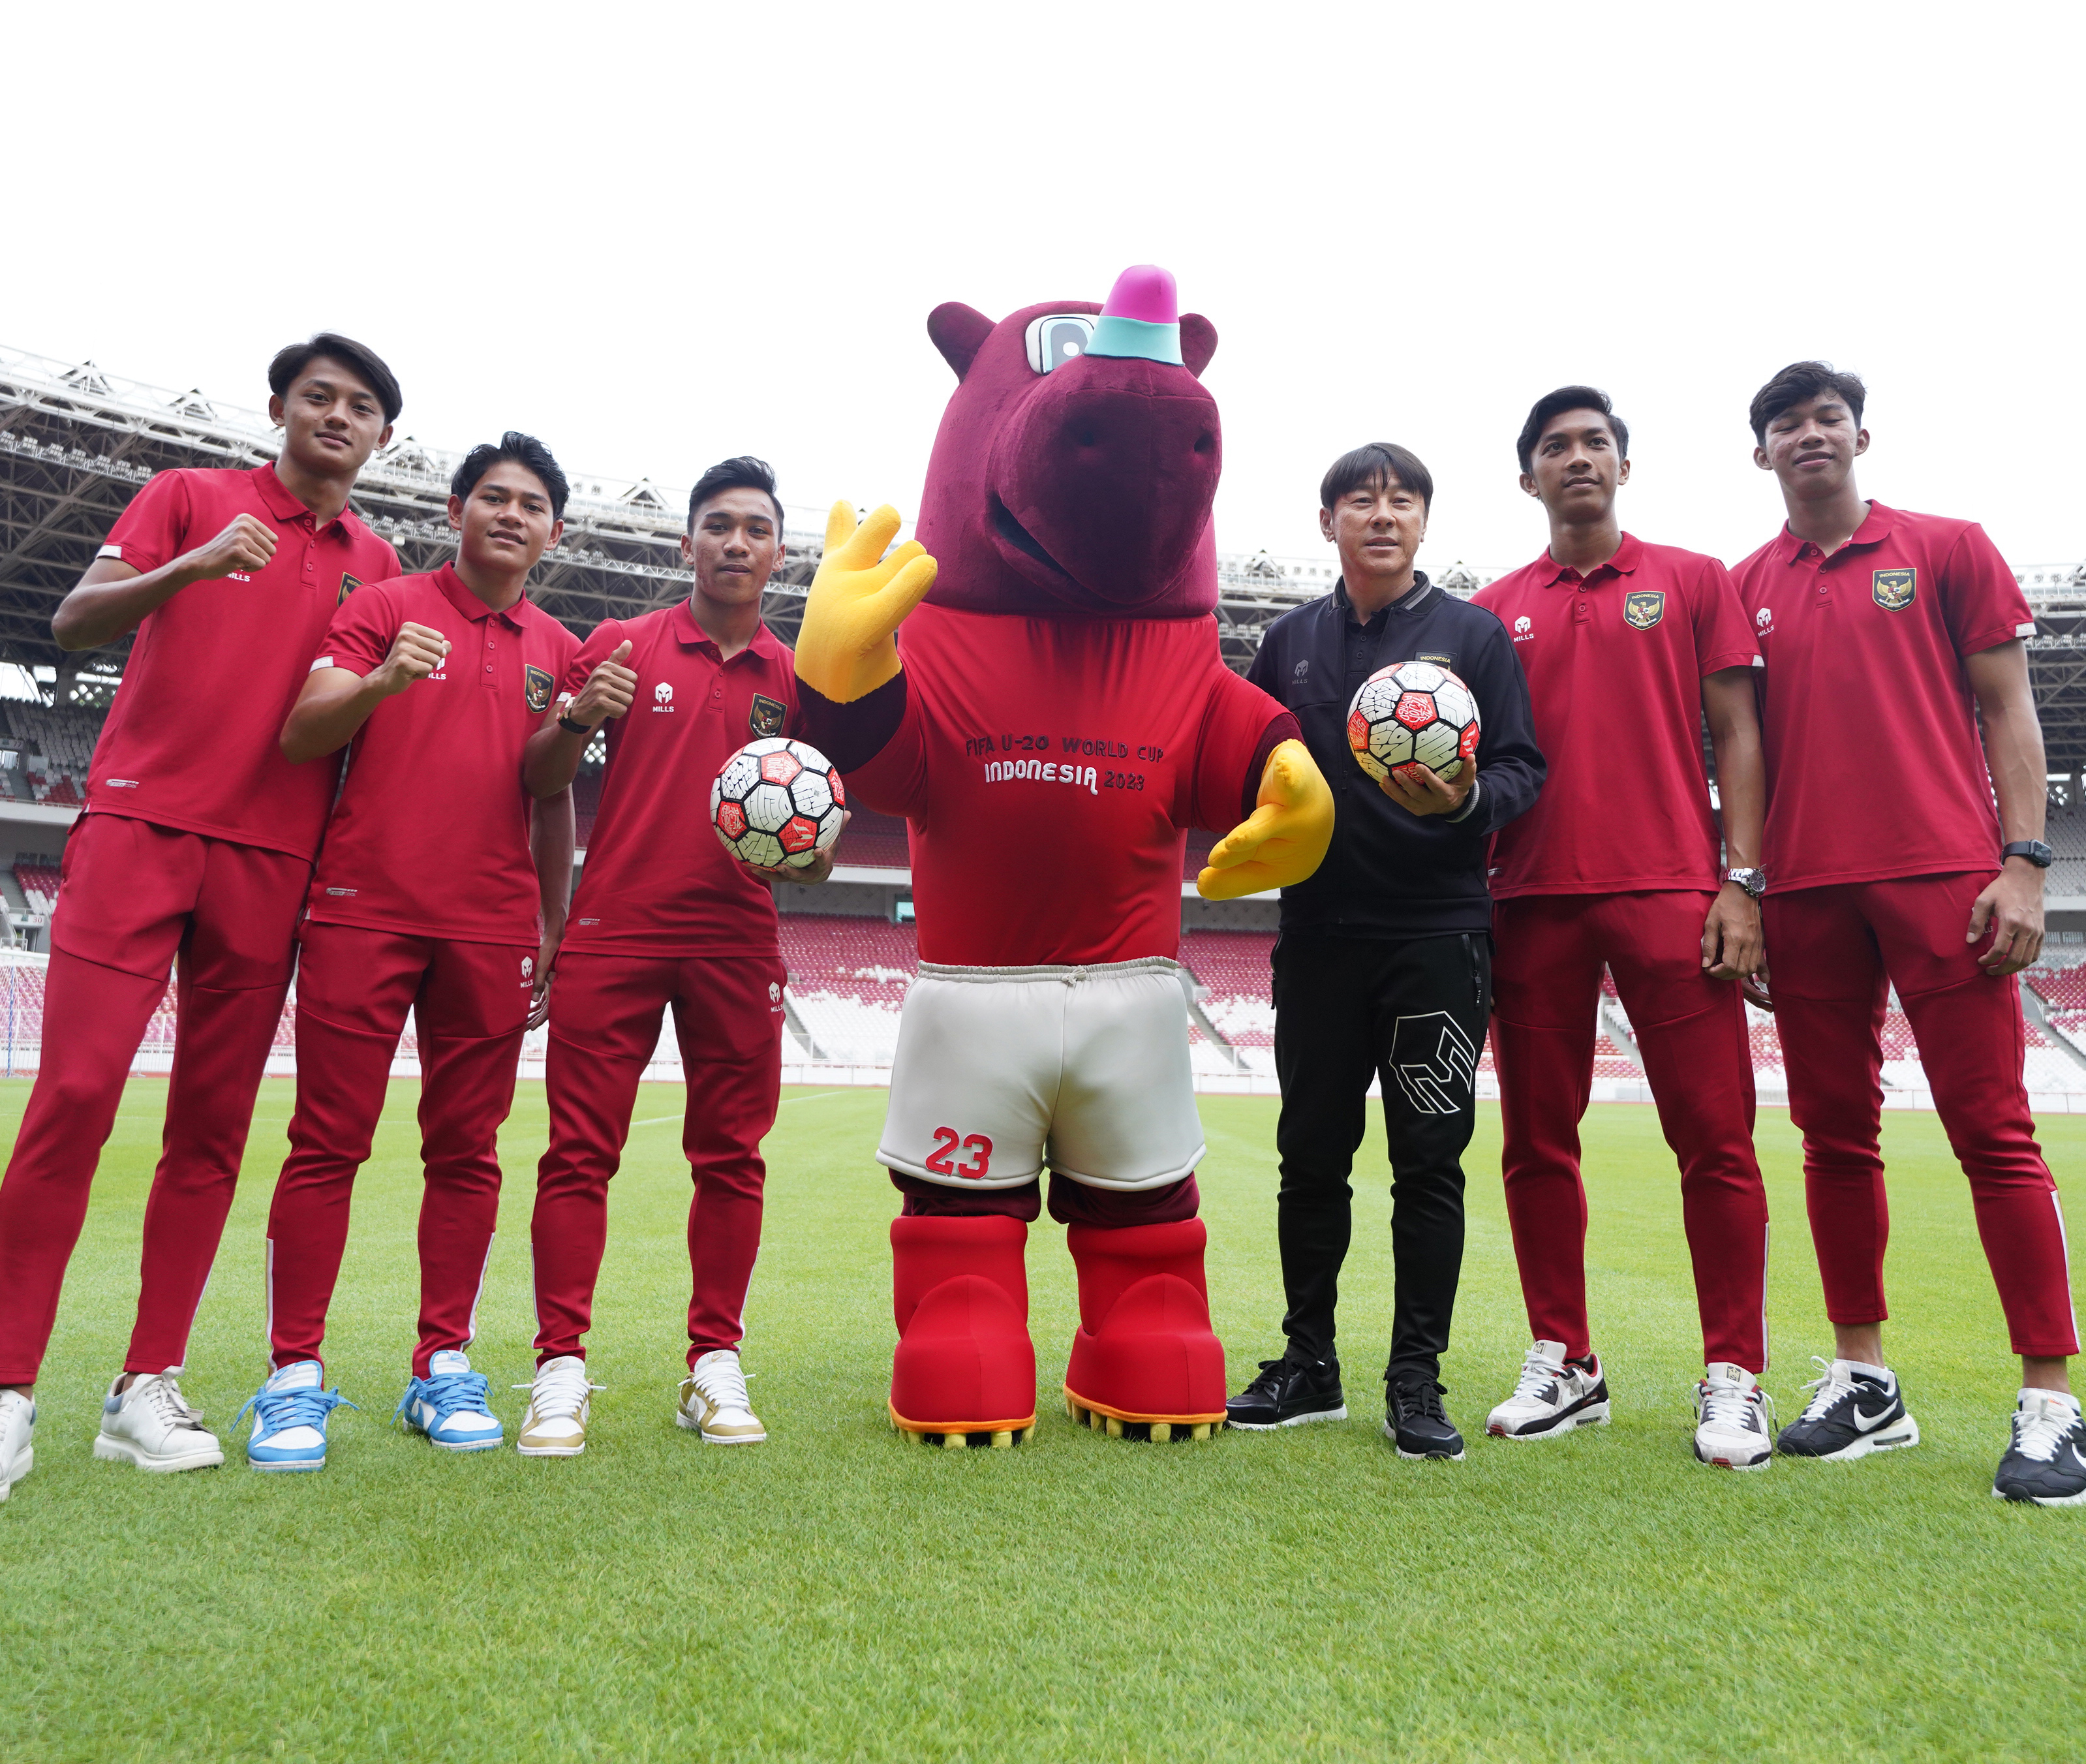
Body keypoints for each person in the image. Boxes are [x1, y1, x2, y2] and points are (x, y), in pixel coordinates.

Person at [0, 335, 401, 1496]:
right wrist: (188, 569)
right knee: (72, 1097)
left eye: (361, 406)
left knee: (213, 1128)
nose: (336, 415)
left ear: (384, 437)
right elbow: (77, 623)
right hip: (138, 829)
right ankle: (10, 1386)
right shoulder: (191, 497)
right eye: (317, 396)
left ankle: (144, 1387)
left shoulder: (379, 563)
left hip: (275, 861)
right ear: (278, 407)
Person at [1733, 361, 2079, 1505]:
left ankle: (2047, 1399)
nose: (1808, 435)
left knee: (1994, 1132)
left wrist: (2022, 865)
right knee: (1833, 1139)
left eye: (1826, 417)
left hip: (1945, 879)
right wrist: (1744, 888)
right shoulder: (1744, 588)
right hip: (1806, 893)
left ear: (1860, 438)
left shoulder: (1946, 547)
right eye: (1785, 424)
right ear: (1762, 455)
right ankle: (1863, 1379)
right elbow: (1738, 750)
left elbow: (2007, 710)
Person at [236, 432, 579, 1471]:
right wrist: (385, 678)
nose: (509, 514)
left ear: (553, 533)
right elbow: (302, 732)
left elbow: (549, 794)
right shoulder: (384, 607)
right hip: (361, 910)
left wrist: (553, 925)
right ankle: (294, 1376)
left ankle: (443, 1366)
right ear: (454, 510)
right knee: (326, 1142)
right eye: (492, 497)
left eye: (530, 505)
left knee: (466, 1152)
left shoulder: (560, 649)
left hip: (489, 925)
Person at [1472, 386, 1775, 1470]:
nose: (1577, 458)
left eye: (1596, 442)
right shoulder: (1491, 606)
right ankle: (1565, 1360)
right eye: (1554, 447)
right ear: (1527, 479)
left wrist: (1741, 882)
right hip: (1531, 900)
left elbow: (1738, 733)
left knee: (1716, 1142)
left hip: (1672, 895)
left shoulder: (1693, 581)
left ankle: (1733, 1371)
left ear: (1624, 466)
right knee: (1534, 1146)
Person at [516, 457, 837, 1456]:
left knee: (732, 1158)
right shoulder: (621, 645)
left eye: (755, 529)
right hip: (614, 931)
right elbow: (537, 774)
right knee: (578, 1154)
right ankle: (560, 1368)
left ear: (779, 554)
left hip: (738, 942)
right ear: (684, 543)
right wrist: (578, 716)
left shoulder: (799, 681)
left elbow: (817, 864)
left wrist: (808, 848)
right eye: (718, 526)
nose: (736, 543)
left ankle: (713, 1363)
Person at [1229, 442, 1543, 1459]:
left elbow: (1521, 769)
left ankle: (1415, 1381)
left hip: (1435, 939)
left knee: (1428, 1167)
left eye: (1401, 499)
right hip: (1317, 936)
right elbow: (1250, 766)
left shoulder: (1473, 637)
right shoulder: (1286, 643)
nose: (1381, 513)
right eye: (1359, 500)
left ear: (1422, 522)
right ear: (1328, 523)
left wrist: (1465, 801)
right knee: (1307, 1158)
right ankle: (1309, 1365)